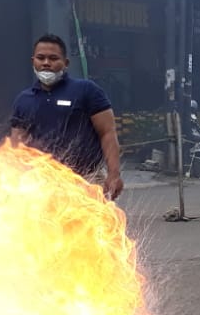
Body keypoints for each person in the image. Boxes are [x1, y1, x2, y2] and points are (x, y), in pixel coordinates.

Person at [10, 34, 122, 199]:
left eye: (53, 58)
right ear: (33, 61)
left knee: (92, 225)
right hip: (44, 186)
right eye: (41, 58)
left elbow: (107, 133)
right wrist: (16, 180)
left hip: (87, 180)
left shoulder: (87, 90)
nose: (46, 63)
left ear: (66, 63)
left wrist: (114, 174)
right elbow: (18, 145)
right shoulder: (23, 100)